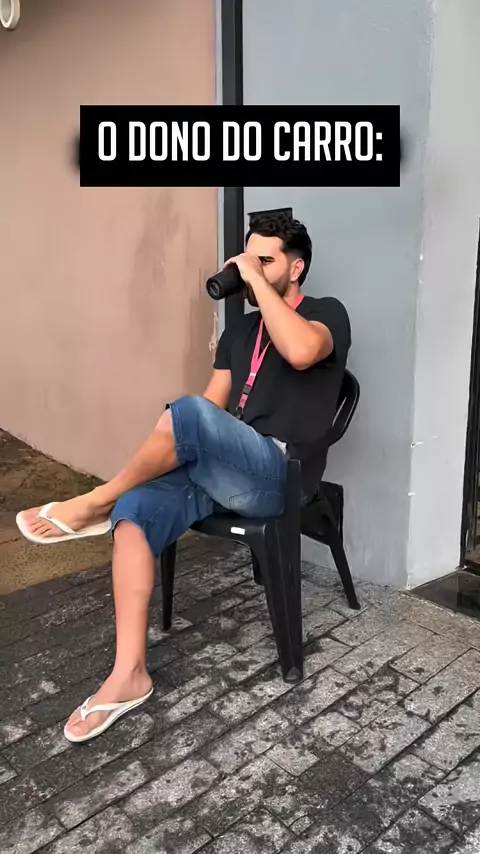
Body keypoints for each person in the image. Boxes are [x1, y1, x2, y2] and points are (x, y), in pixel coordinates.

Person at [16, 212, 351, 742]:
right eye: (248, 258)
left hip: (278, 476)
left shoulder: (326, 313)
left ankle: (97, 500)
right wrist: (176, 437)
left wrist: (255, 282)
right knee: (136, 513)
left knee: (184, 416)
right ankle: (129, 674)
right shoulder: (241, 331)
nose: (251, 269)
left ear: (296, 267)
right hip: (225, 468)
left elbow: (302, 351)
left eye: (265, 260)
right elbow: (211, 410)